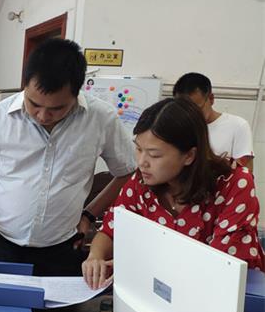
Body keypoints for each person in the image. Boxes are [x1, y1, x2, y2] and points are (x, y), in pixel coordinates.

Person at [0, 38, 135, 280]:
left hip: (62, 249)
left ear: (76, 93)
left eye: (57, 108)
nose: (42, 115)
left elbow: (127, 172)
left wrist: (90, 214)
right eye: (34, 104)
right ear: (25, 85)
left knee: (58, 307)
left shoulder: (101, 119)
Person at [83, 97, 264, 290]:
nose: (142, 162)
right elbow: (112, 228)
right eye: (138, 149)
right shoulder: (141, 181)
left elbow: (221, 265)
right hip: (161, 290)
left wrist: (142, 266)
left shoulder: (234, 184)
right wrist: (95, 257)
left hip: (222, 293)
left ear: (189, 156)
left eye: (154, 155)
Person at [173, 72, 254, 171]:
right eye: (185, 110)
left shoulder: (238, 126)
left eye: (197, 109)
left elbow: (245, 173)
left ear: (211, 99)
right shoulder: (177, 128)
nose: (191, 115)